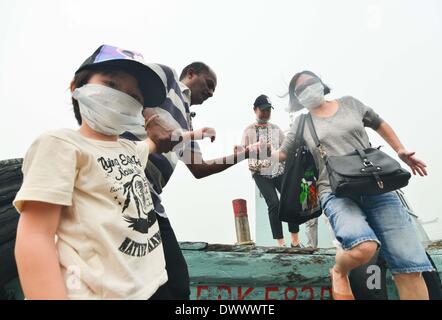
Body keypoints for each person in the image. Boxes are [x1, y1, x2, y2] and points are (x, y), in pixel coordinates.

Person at [12, 45, 208, 299]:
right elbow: (36, 235)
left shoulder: (128, 148)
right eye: (111, 85)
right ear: (76, 88)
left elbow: (156, 144)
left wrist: (193, 135)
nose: (122, 98)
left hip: (152, 283)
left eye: (134, 96)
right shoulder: (59, 144)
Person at [275, 70, 433, 300]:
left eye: (311, 83)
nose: (307, 89)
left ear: (321, 83)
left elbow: (379, 123)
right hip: (335, 191)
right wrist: (253, 151)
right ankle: (339, 271)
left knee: (409, 266)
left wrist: (400, 150)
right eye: (300, 89)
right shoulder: (302, 123)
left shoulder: (350, 104)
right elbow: (282, 154)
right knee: (363, 246)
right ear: (296, 98)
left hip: (376, 186)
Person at [123, 62, 256, 300]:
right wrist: (152, 120)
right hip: (121, 185)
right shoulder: (168, 79)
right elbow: (126, 82)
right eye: (208, 84)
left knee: (177, 285)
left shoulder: (187, 123)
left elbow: (199, 168)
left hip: (150, 201)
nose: (211, 93)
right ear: (191, 74)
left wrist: (244, 154)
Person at [240, 94, 307, 248]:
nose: (266, 113)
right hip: (260, 173)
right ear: (255, 110)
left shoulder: (276, 129)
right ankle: (280, 242)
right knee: (274, 203)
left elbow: (287, 148)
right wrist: (252, 148)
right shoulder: (248, 131)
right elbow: (242, 151)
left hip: (278, 170)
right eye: (263, 110)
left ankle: (295, 241)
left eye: (269, 110)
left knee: (290, 199)